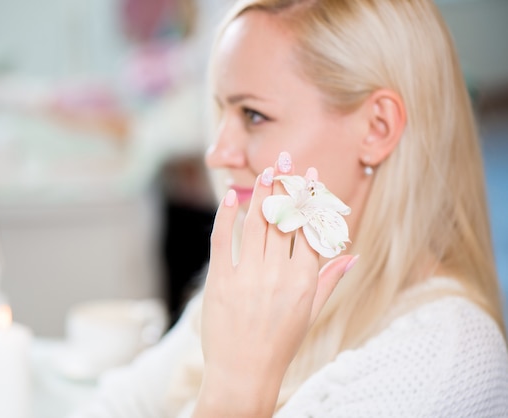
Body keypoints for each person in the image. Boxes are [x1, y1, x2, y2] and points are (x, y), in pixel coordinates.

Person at [69, 0, 508, 417]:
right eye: (222, 112)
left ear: (377, 128)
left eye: (254, 115)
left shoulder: (444, 360)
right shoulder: (262, 289)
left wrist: (235, 393)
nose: (217, 153)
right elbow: (117, 406)